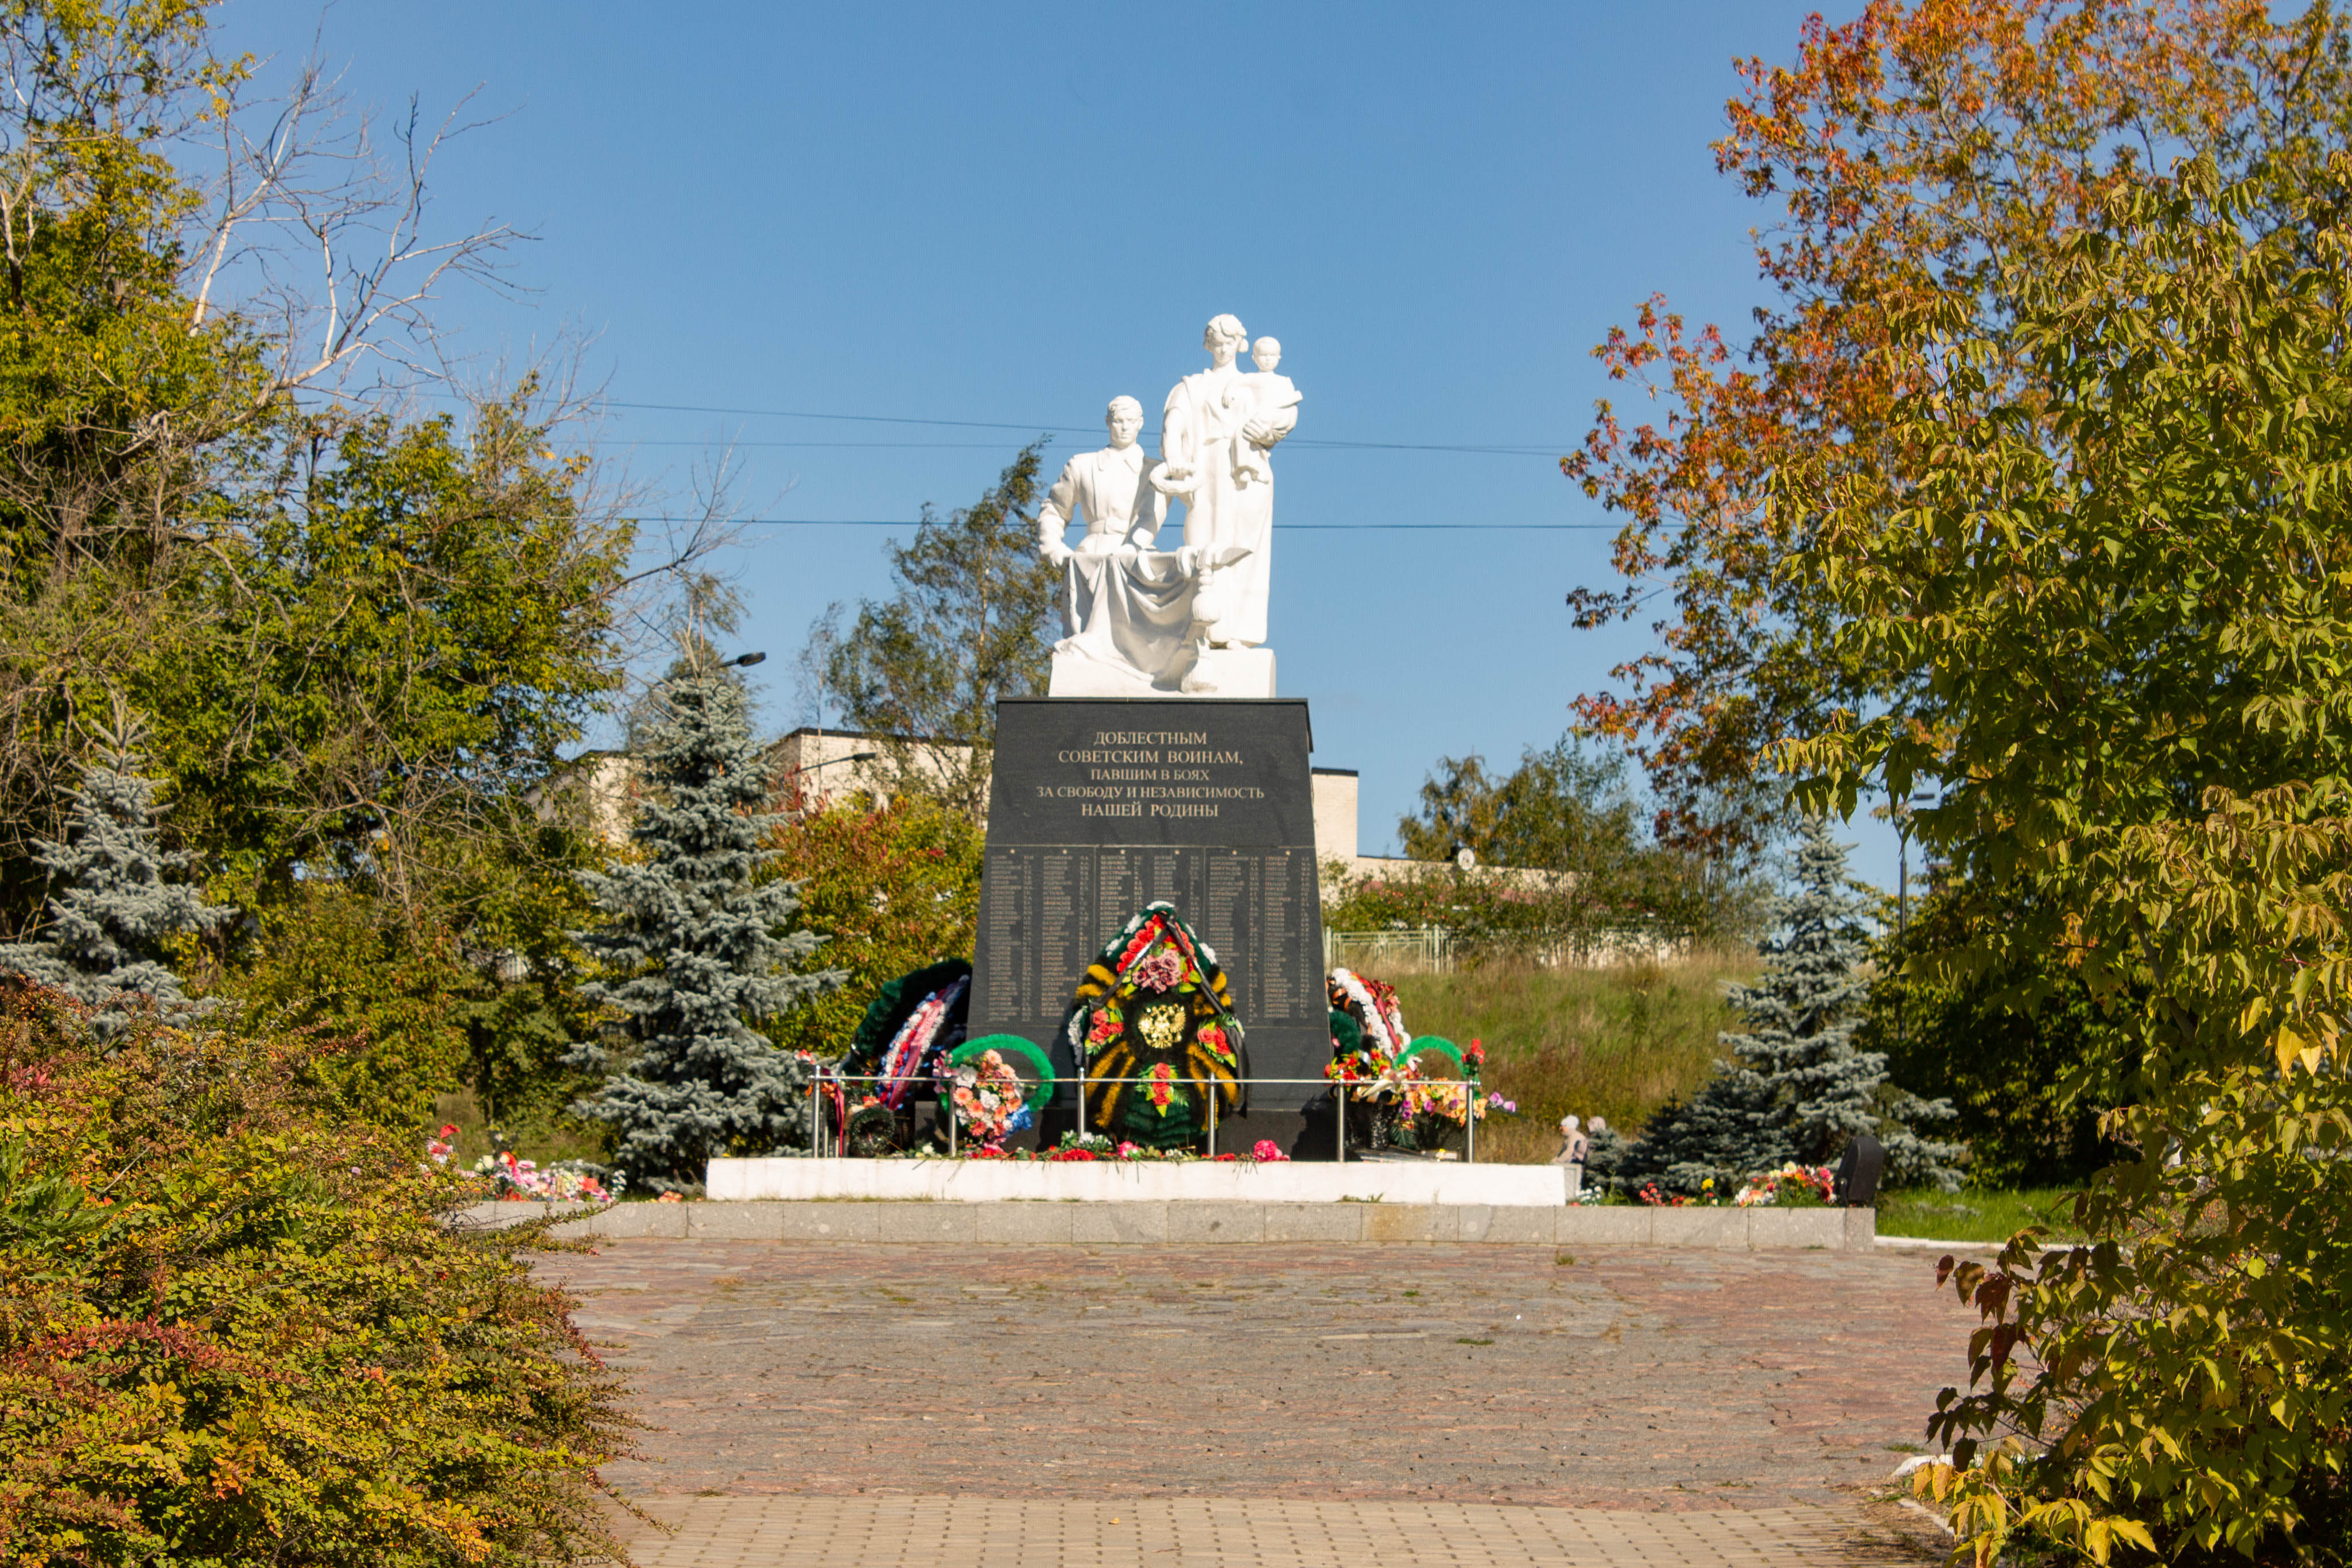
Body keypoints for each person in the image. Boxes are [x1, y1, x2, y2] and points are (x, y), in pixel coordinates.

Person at [1157, 315, 1296, 648]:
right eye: (1216, 343)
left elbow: (1286, 411)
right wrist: (1174, 457)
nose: (1222, 349)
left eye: (1229, 342)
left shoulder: (1256, 382)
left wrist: (1269, 430)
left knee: (1245, 549)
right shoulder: (1192, 386)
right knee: (1202, 545)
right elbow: (1172, 425)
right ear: (1208, 346)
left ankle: (1239, 634)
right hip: (1204, 469)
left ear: (1240, 344)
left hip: (1246, 475)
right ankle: (1202, 630)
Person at [1228, 336, 1302, 490]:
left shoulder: (1284, 381)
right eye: (1263, 355)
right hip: (1260, 418)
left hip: (1276, 416)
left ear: (1279, 358)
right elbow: (1237, 382)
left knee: (1247, 431)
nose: (1268, 360)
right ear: (1254, 358)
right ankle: (1243, 467)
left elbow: (1292, 405)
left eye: (1272, 356)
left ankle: (1247, 466)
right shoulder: (1254, 378)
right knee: (1242, 433)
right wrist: (1228, 392)